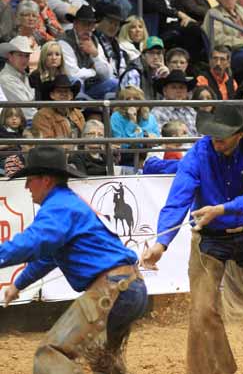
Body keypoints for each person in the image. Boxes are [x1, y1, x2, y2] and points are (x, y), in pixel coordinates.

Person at [141, 104, 243, 374]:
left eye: (222, 136)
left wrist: (222, 209)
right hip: (209, 239)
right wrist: (160, 243)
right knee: (202, 312)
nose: (215, 141)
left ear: (239, 135)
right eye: (213, 135)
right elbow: (177, 200)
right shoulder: (198, 154)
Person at [0, 146, 147, 373]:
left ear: (46, 180)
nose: (26, 186)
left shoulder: (59, 207)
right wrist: (18, 285)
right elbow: (48, 257)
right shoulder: (68, 203)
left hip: (112, 290)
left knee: (51, 354)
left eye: (30, 179)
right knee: (103, 362)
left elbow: (31, 242)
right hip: (129, 289)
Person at [58, 5, 118, 99]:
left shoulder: (94, 40)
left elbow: (107, 74)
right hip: (71, 87)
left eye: (91, 25)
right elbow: (73, 73)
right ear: (75, 24)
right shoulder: (64, 41)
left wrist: (95, 54)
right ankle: (80, 110)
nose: (88, 29)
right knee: (76, 81)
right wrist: (94, 71)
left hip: (92, 86)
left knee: (115, 83)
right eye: (85, 24)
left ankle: (103, 111)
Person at [32, 74, 85, 139]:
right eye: (59, 91)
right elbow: (46, 143)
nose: (63, 94)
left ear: (71, 95)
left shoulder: (77, 113)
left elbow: (84, 135)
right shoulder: (42, 115)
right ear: (52, 95)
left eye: (66, 91)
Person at [0, 36, 36, 121]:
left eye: (27, 56)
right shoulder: (6, 78)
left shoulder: (24, 75)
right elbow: (26, 110)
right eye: (20, 55)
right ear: (10, 56)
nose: (24, 59)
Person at [152, 69, 198, 135]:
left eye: (181, 87)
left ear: (186, 92)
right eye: (174, 87)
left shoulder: (191, 110)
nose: (178, 91)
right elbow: (160, 138)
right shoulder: (158, 111)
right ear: (165, 91)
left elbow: (201, 134)